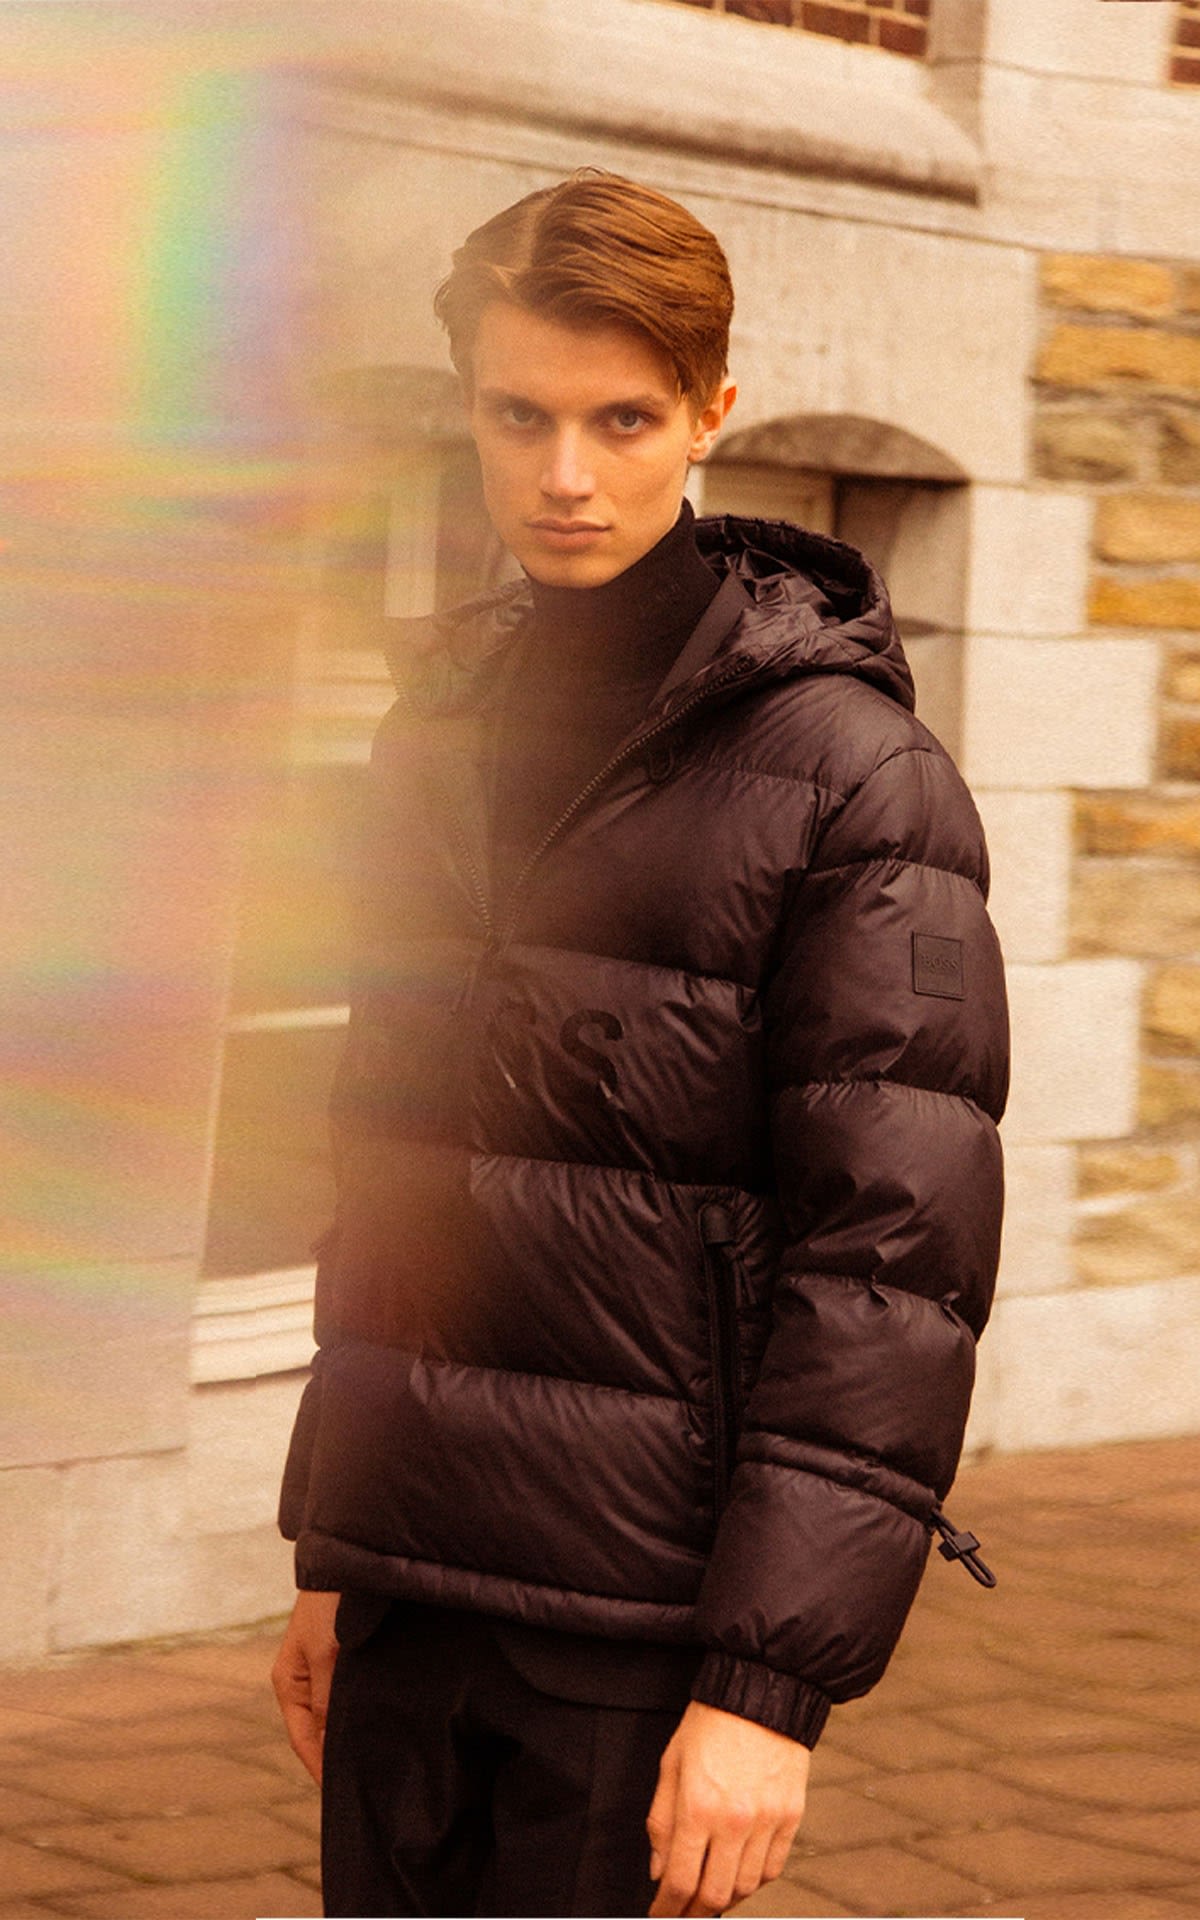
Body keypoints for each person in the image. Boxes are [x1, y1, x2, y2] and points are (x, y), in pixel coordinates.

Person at [272, 169, 1009, 1919]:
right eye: (517, 416)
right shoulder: (432, 725)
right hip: (406, 1596)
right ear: (467, 407)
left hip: (635, 1633)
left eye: (621, 420)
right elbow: (386, 1171)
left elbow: (888, 1263)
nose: (565, 474)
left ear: (709, 413)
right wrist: (332, 1552)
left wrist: (768, 1687)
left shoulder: (856, 776)